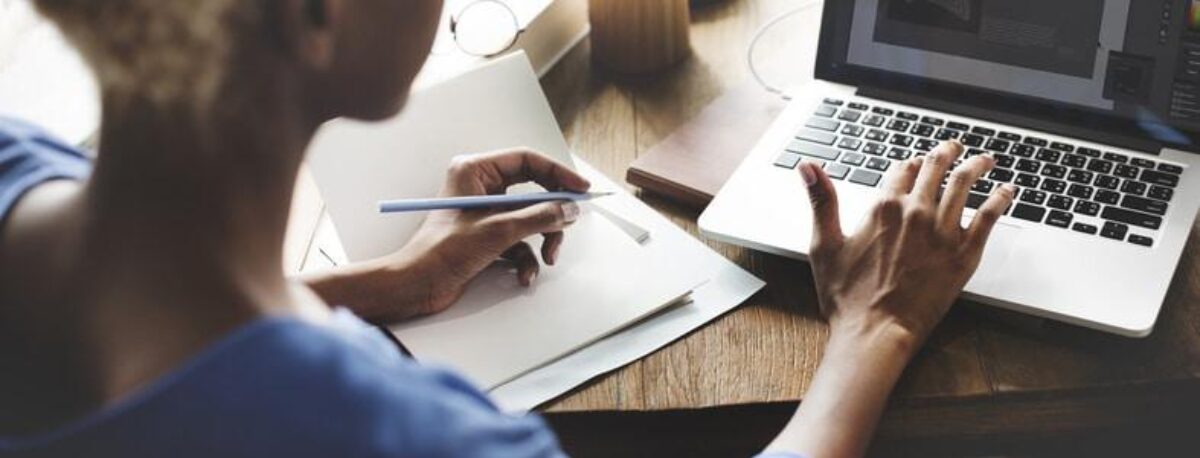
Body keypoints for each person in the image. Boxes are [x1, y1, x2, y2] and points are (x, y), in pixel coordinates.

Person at [0, 1, 1016, 457]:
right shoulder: (410, 438)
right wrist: (873, 329)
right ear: (314, 16)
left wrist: (383, 282)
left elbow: (147, 350)